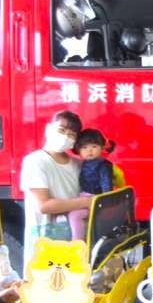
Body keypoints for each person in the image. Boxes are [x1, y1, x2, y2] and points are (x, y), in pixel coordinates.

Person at [19, 111, 91, 274]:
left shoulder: (77, 164)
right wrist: (87, 202)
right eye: (61, 130)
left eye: (71, 135)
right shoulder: (35, 161)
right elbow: (45, 206)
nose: (65, 137)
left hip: (73, 241)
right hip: (45, 239)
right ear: (48, 129)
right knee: (44, 284)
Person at [68, 128, 117, 241]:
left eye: (94, 146)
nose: (89, 151)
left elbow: (106, 185)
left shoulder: (103, 165)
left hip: (96, 199)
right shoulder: (84, 163)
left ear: (102, 147)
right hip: (84, 197)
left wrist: (105, 203)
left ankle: (77, 242)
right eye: (84, 147)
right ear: (78, 150)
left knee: (74, 215)